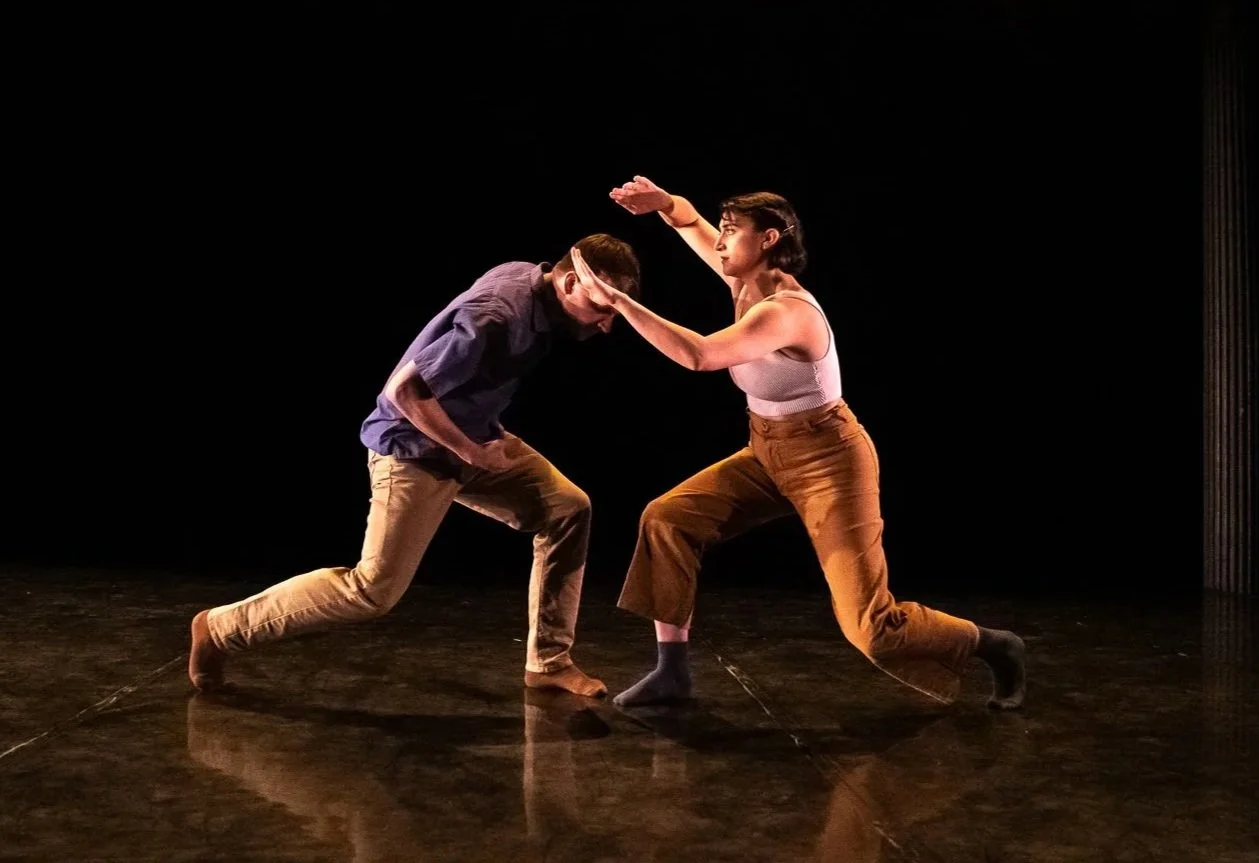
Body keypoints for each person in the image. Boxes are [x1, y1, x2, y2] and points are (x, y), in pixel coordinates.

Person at [569, 175, 1025, 709]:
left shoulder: (786, 310)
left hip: (830, 460)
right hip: (766, 449)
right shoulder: (743, 282)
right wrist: (663, 204)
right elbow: (690, 221)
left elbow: (698, 356)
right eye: (723, 230)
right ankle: (672, 674)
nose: (719, 241)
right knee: (667, 519)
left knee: (871, 628)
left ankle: (993, 644)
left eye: (732, 231)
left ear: (768, 240)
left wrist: (619, 302)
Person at [187, 233, 643, 699]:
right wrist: (471, 450)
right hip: (413, 449)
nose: (608, 324)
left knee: (568, 508)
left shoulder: (530, 283)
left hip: (473, 439)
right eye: (603, 307)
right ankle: (220, 628)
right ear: (570, 282)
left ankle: (548, 662)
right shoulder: (497, 314)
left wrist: (483, 434)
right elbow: (402, 392)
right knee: (372, 590)